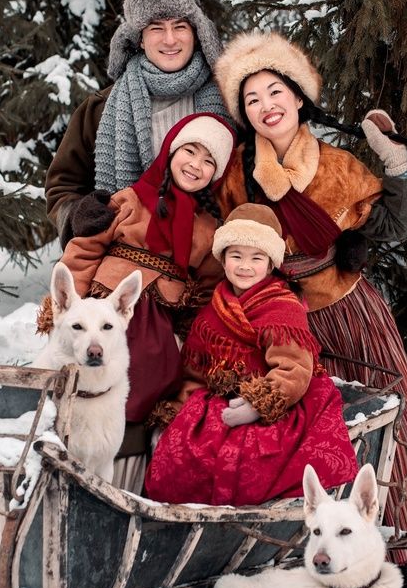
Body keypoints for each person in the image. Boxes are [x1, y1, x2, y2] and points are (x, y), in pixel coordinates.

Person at [212, 31, 407, 588]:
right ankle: (318, 563)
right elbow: (228, 244)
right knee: (316, 435)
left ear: (298, 97)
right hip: (281, 321)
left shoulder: (339, 166)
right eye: (251, 99)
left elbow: (394, 224)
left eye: (275, 90)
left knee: (396, 414)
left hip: (350, 306)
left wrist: (397, 165)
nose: (266, 105)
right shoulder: (238, 177)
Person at [59, 113, 236, 489]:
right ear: (171, 150)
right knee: (87, 370)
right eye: (190, 151)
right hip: (109, 303)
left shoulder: (208, 228)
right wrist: (66, 301)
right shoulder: (130, 199)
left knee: (149, 379)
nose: (196, 165)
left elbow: (205, 285)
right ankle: (70, 448)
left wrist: (190, 333)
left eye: (209, 162)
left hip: (160, 321)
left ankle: (125, 466)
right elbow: (87, 249)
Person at [144, 205, 358, 506]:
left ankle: (236, 510)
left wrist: (258, 405)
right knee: (187, 449)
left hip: (277, 399)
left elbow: (293, 368)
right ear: (223, 259)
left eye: (256, 258)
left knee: (249, 455)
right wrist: (175, 416)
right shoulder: (213, 311)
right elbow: (195, 371)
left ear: (270, 264)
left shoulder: (282, 307)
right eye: (236, 256)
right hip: (222, 397)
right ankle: (184, 508)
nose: (245, 266)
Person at [45, 0, 231, 249]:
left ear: (197, 33)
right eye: (156, 28)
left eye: (180, 26)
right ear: (139, 39)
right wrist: (79, 216)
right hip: (128, 256)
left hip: (212, 260)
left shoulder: (230, 99)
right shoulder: (100, 108)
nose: (170, 39)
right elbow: (62, 187)